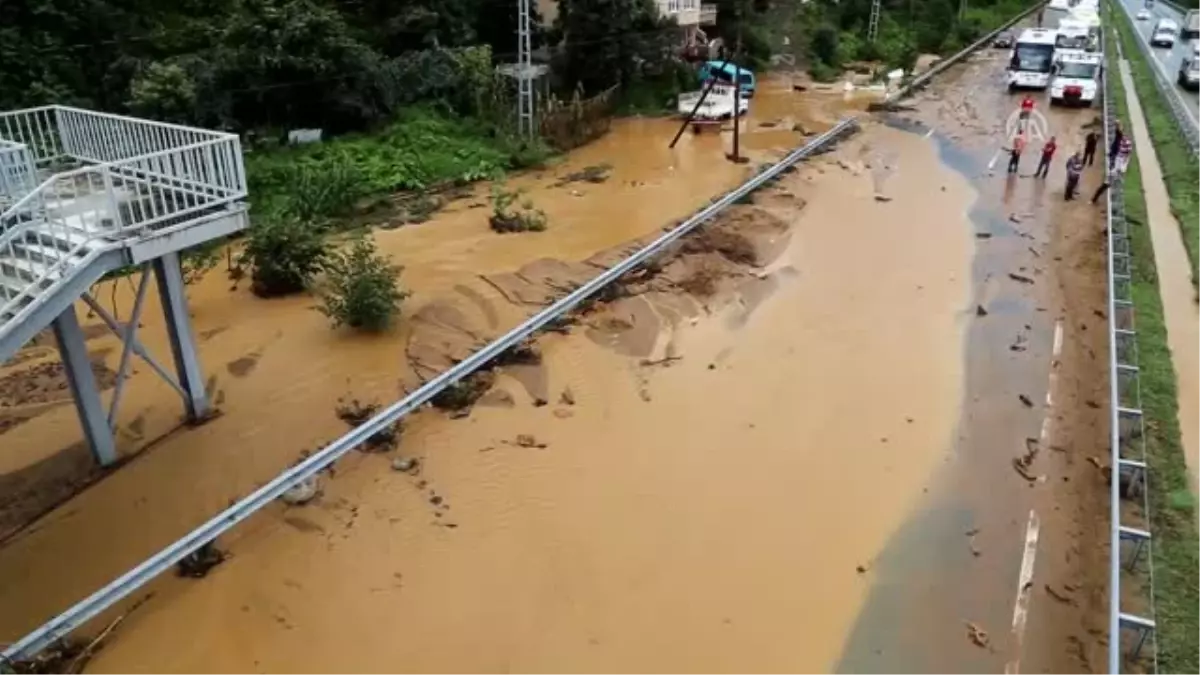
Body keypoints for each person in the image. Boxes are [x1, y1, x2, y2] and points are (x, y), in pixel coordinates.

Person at [1094, 136, 1134, 204]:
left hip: (1112, 178)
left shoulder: (1119, 166)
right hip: (1110, 180)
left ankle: (1095, 199)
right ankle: (1095, 199)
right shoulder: (1116, 170)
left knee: (1106, 187)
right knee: (1105, 187)